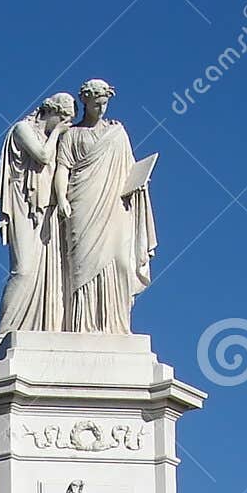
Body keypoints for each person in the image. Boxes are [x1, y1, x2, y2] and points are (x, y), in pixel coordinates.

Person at [53, 78, 157, 334]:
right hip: (82, 202)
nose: (101, 109)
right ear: (85, 102)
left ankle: (114, 324)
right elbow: (62, 168)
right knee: (82, 265)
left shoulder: (117, 133)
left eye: (104, 104)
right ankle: (82, 325)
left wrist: (140, 183)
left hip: (115, 203)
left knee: (120, 261)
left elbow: (129, 167)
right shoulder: (72, 135)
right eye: (96, 104)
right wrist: (62, 198)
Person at [0, 93, 76, 341]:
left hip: (47, 208)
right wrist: (57, 132)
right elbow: (42, 156)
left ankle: (46, 327)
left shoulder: (54, 138)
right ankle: (5, 332)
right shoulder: (22, 129)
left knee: (52, 271)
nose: (66, 125)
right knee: (24, 270)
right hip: (23, 205)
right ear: (51, 112)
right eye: (63, 118)